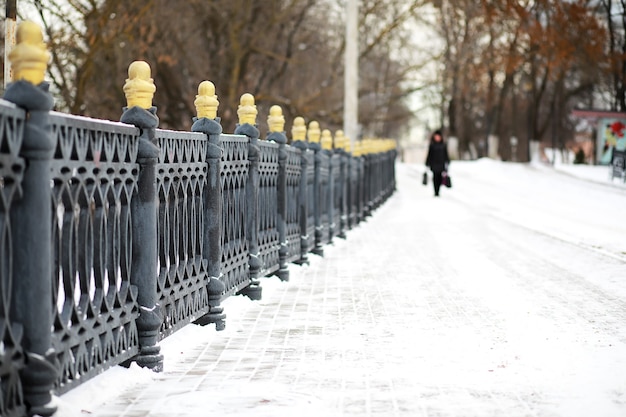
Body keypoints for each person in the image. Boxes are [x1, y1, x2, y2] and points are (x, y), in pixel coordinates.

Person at [425, 129, 450, 197]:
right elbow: (429, 155)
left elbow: (446, 154)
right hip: (434, 164)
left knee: (440, 177)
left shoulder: (443, 145)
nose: (437, 138)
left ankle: (438, 190)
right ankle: (436, 191)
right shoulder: (432, 145)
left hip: (441, 164)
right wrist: (427, 163)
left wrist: (447, 161)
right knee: (435, 177)